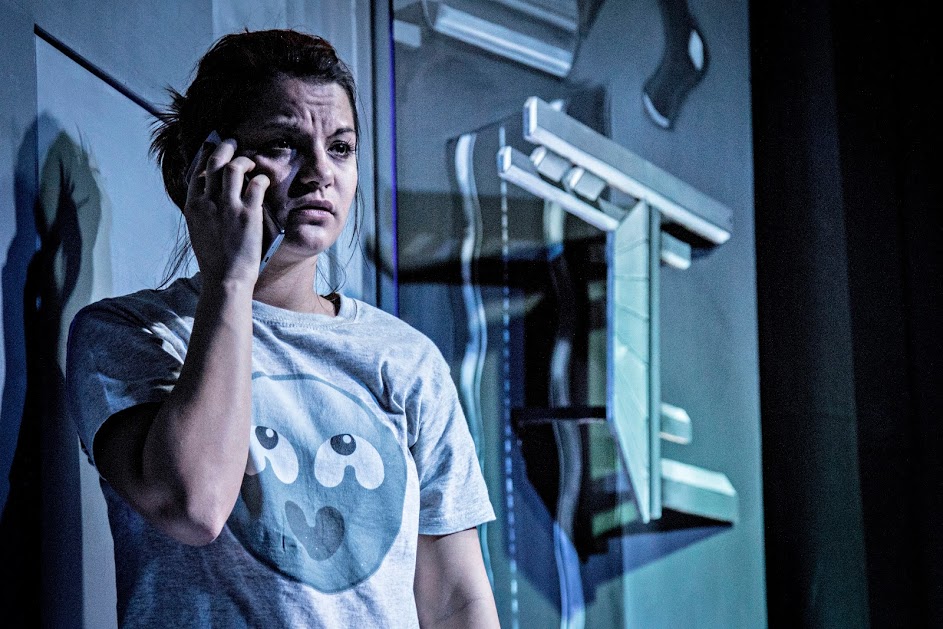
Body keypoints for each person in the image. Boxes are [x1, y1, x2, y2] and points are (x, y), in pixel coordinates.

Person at [66, 29, 498, 628]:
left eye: (341, 148)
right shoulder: (131, 334)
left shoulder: (405, 359)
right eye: (283, 144)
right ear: (207, 166)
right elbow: (193, 504)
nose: (321, 172)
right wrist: (230, 281)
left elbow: (456, 599)